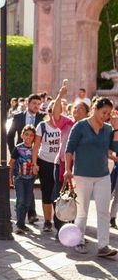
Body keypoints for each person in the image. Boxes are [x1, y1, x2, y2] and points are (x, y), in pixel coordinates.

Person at [64, 97, 118, 257]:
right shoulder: (80, 126)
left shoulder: (108, 129)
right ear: (95, 108)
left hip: (102, 175)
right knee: (82, 211)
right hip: (81, 174)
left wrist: (115, 129)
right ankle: (79, 241)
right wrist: (67, 169)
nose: (105, 116)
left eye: (108, 114)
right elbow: (69, 149)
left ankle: (103, 246)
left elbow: (113, 149)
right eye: (103, 112)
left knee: (103, 212)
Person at [52, 86, 89, 233]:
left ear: (87, 113)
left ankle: (74, 227)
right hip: (62, 164)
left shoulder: (89, 127)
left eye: (81, 109)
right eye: (75, 108)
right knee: (60, 194)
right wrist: (60, 96)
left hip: (81, 166)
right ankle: (60, 226)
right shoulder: (66, 122)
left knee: (78, 197)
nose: (76, 111)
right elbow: (55, 114)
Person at [7, 93, 45, 224]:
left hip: (36, 156)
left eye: (39, 104)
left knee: (30, 184)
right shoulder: (18, 117)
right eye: (34, 103)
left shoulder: (42, 117)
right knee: (23, 183)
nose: (37, 106)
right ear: (28, 103)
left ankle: (25, 211)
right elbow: (10, 135)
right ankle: (29, 213)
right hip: (21, 156)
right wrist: (15, 151)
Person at [32, 100, 63, 232]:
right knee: (46, 192)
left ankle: (61, 219)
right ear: (47, 112)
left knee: (60, 193)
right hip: (45, 162)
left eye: (56, 111)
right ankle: (47, 221)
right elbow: (36, 146)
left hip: (60, 163)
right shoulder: (42, 126)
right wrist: (34, 164)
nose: (53, 114)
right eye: (50, 111)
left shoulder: (65, 125)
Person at [9, 125, 37, 234]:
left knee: (27, 201)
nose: (29, 137)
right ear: (22, 135)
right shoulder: (18, 148)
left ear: (34, 137)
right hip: (19, 178)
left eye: (31, 135)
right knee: (20, 200)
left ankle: (22, 223)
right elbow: (11, 163)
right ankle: (19, 224)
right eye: (26, 135)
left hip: (30, 179)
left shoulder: (35, 149)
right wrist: (10, 177)